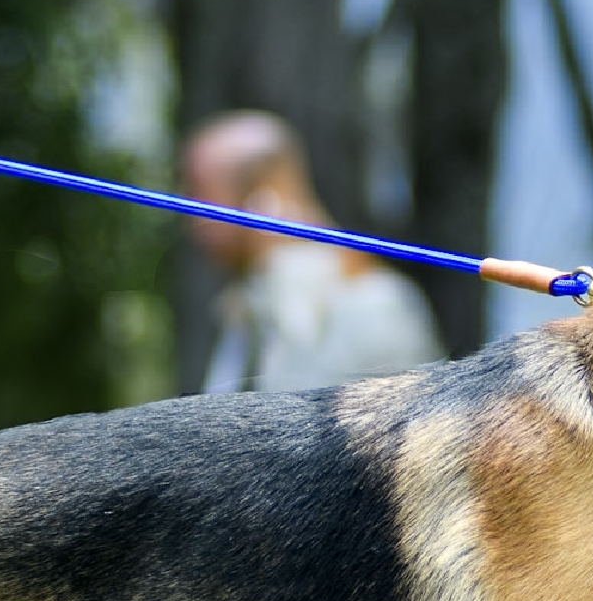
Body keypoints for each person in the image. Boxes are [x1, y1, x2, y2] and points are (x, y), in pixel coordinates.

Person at [181, 111, 443, 392]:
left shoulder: (374, 306)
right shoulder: (249, 310)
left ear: (262, 195)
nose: (191, 219)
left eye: (200, 193)